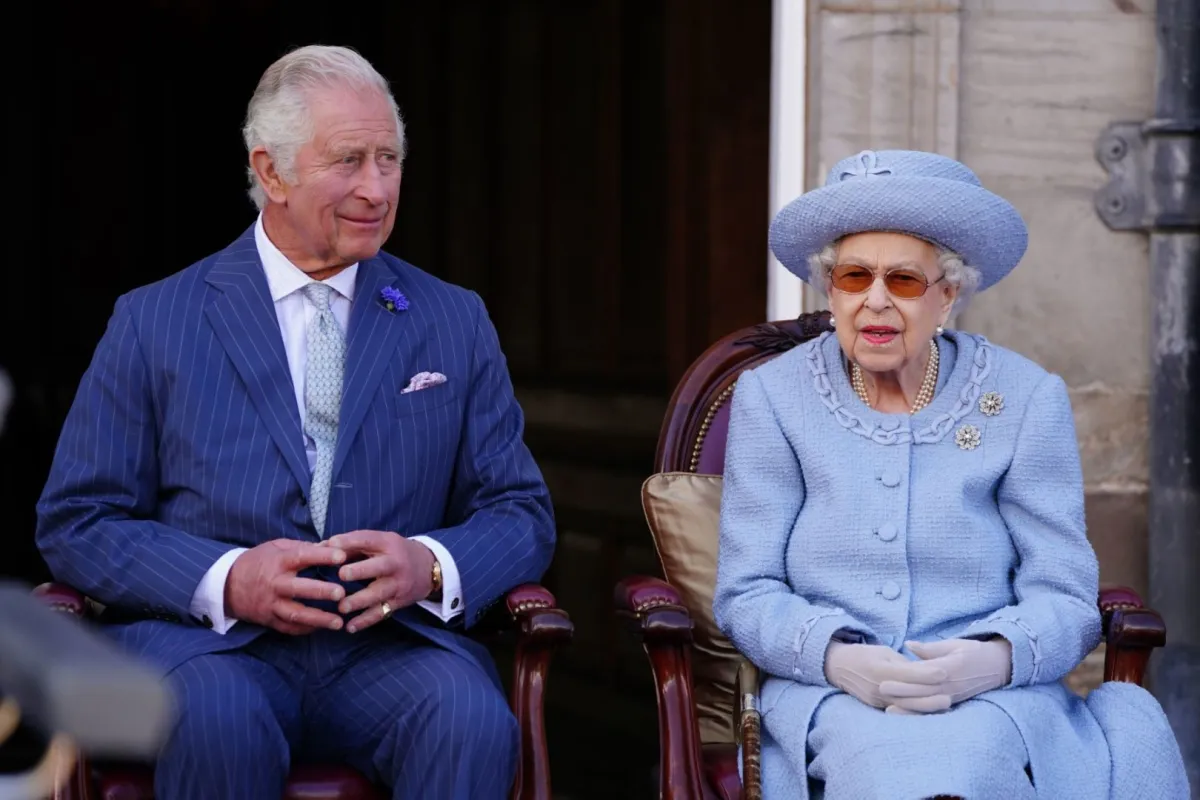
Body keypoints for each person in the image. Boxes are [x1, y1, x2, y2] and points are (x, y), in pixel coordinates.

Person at [35, 45, 555, 800]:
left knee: (469, 719)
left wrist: (429, 564)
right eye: (349, 161)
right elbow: (77, 521)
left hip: (390, 650)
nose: (376, 189)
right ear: (271, 172)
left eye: (389, 158)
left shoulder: (453, 319)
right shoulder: (154, 320)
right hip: (207, 650)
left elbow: (521, 513)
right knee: (213, 719)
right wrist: (228, 578)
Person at [712, 149, 1188, 799]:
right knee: (879, 768)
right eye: (854, 276)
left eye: (903, 281)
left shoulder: (1022, 399)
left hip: (990, 700)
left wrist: (992, 661)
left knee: (974, 766)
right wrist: (838, 660)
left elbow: (1067, 596)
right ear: (831, 288)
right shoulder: (773, 398)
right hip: (834, 697)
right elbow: (748, 590)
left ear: (949, 294)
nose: (874, 301)